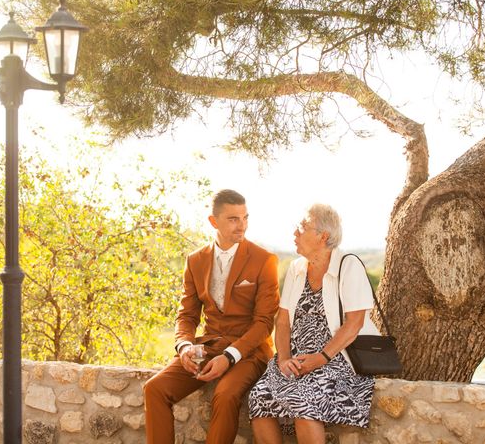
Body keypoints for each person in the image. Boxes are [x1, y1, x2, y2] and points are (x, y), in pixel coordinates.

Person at [144, 189, 280, 444]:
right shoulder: (195, 260)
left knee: (226, 394)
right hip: (208, 347)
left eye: (245, 217)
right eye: (233, 219)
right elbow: (187, 314)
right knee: (155, 389)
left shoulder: (264, 260)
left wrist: (230, 357)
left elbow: (264, 323)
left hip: (249, 351)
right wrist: (184, 346)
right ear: (213, 221)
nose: (242, 225)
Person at [249, 204, 376, 443]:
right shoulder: (296, 268)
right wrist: (284, 358)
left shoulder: (348, 266)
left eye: (302, 227)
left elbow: (354, 324)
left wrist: (320, 358)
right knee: (259, 396)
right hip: (296, 359)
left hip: (337, 359)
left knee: (304, 398)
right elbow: (283, 320)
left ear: (323, 236)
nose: (295, 233)